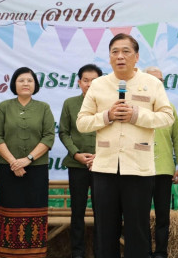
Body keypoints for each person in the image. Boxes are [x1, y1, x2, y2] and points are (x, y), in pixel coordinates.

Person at [76, 33, 174, 258]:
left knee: (137, 231)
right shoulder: (99, 85)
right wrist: (107, 116)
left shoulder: (152, 84)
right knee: (105, 230)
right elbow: (82, 122)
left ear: (136, 56)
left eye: (126, 51)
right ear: (109, 57)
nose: (120, 56)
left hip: (139, 169)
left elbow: (167, 117)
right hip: (104, 169)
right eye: (114, 52)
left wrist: (137, 115)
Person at [0, 67, 55, 258]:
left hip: (36, 171)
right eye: (21, 80)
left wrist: (27, 160)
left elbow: (49, 136)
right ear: (14, 84)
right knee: (8, 214)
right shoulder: (4, 107)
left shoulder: (44, 108)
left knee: (34, 214)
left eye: (29, 80)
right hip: (8, 169)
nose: (26, 83)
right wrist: (13, 162)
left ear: (35, 84)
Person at [59, 63, 103, 258]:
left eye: (94, 81)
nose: (90, 84)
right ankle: (78, 252)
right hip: (77, 165)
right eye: (86, 80)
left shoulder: (108, 104)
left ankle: (101, 251)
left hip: (103, 165)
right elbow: (64, 132)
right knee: (77, 211)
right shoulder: (70, 103)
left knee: (102, 211)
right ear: (79, 82)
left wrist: (100, 156)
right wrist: (76, 154)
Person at [144, 66, 178, 258]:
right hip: (139, 170)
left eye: (161, 80)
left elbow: (177, 139)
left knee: (163, 216)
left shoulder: (169, 107)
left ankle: (160, 253)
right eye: (153, 80)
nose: (158, 83)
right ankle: (142, 251)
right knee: (139, 216)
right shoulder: (135, 106)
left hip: (164, 170)